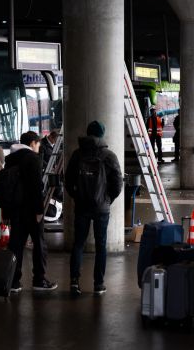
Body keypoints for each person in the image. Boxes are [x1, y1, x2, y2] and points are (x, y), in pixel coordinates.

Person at [65, 120, 123, 296]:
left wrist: (77, 196)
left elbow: (68, 180)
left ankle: (74, 282)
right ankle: (99, 284)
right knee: (101, 245)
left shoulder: (77, 154)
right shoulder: (109, 155)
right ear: (101, 135)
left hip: (82, 206)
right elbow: (118, 183)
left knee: (78, 244)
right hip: (101, 208)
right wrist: (107, 199)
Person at [4, 131, 58, 293]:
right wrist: (39, 210)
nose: (39, 146)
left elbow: (9, 185)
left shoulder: (11, 159)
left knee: (16, 245)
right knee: (39, 244)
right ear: (33, 143)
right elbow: (35, 187)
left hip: (15, 208)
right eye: (38, 144)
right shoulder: (33, 159)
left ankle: (13, 281)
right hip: (30, 209)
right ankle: (39, 280)